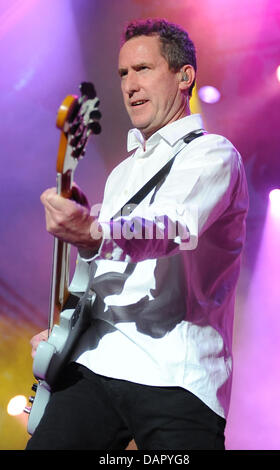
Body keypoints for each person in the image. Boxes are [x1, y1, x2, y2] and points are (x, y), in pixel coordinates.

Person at [26, 18, 248, 450]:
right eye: (123, 73)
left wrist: (94, 231)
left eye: (143, 69)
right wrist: (63, 334)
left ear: (185, 76)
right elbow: (102, 274)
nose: (130, 84)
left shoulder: (212, 154)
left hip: (176, 375)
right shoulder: (123, 173)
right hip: (97, 361)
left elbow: (172, 226)